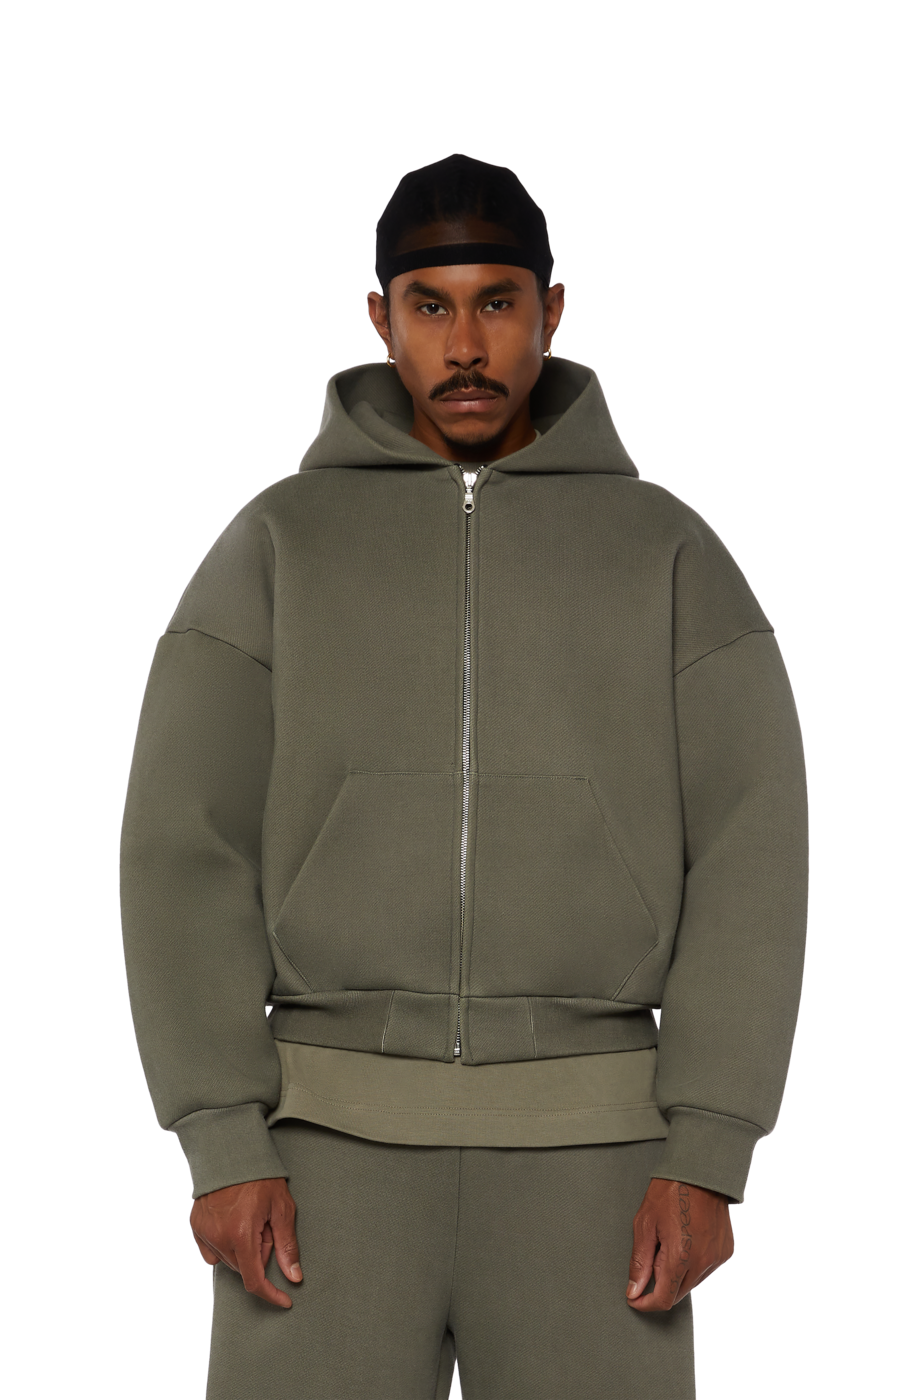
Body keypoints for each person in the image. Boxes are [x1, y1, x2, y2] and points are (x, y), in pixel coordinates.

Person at [120, 151, 809, 1399]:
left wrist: (709, 1146)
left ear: (553, 310)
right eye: (430, 305)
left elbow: (752, 849)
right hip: (317, 1153)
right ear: (379, 318)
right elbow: (182, 841)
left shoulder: (666, 552)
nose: (467, 343)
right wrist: (220, 1133)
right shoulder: (278, 542)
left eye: (498, 300)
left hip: (598, 1157)